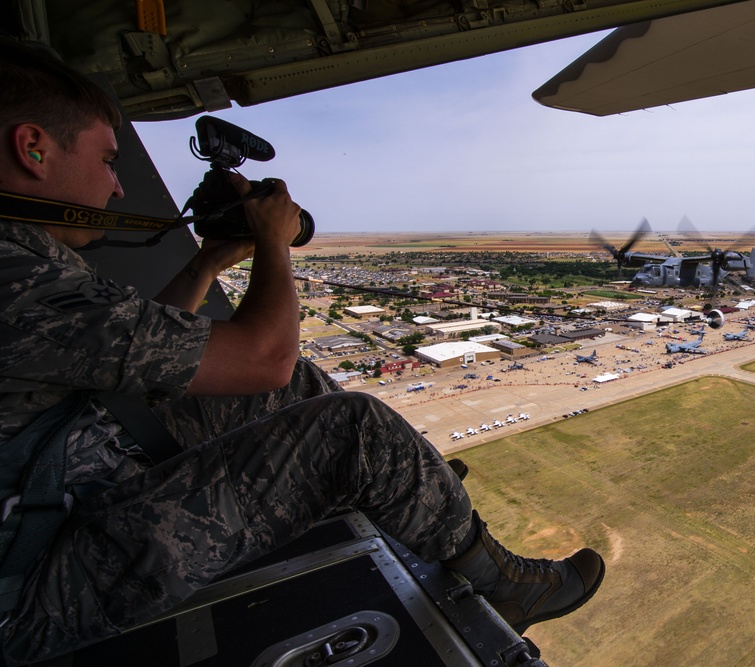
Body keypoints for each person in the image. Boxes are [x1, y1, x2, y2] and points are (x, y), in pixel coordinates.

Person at [0, 40, 604, 665]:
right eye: (105, 159)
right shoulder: (11, 275)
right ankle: (505, 587)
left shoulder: (24, 260)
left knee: (282, 392)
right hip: (36, 585)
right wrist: (274, 244)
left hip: (59, 488)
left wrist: (210, 259)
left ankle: (411, 495)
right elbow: (265, 355)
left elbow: (149, 351)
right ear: (33, 149)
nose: (119, 188)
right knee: (351, 429)